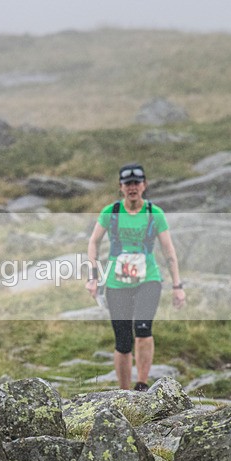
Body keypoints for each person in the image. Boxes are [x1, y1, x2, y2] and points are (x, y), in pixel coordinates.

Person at [85, 163, 186, 391]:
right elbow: (93, 242)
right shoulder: (110, 212)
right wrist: (93, 276)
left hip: (148, 280)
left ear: (144, 185)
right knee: (122, 341)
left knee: (143, 329)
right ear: (121, 187)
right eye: (128, 184)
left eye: (136, 183)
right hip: (116, 282)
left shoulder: (154, 213)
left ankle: (141, 386)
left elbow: (168, 250)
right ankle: (125, 393)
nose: (132, 187)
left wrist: (177, 285)